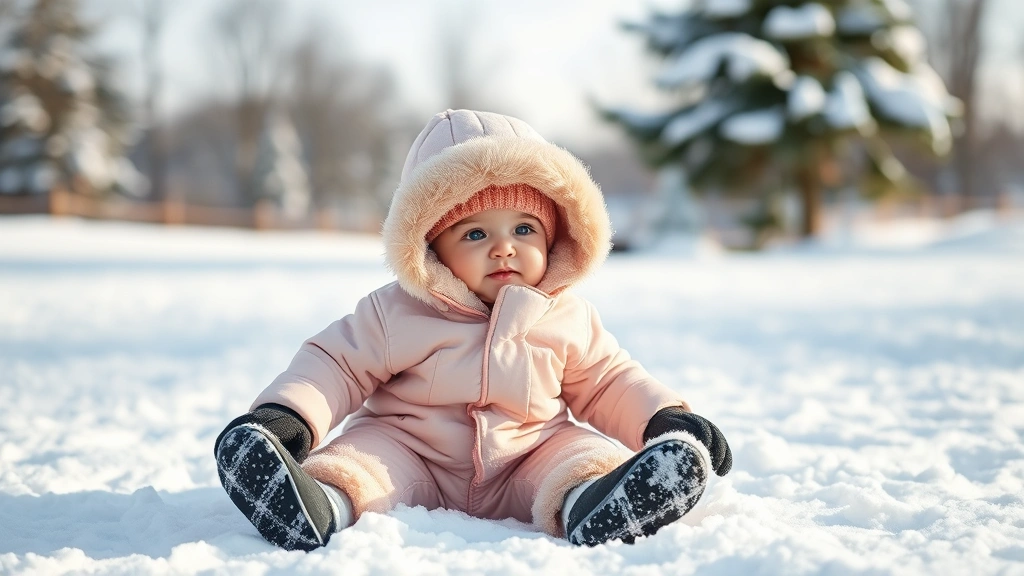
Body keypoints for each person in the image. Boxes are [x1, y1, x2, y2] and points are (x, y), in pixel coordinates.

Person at [214, 109, 732, 551]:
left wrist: (664, 418)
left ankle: (595, 504)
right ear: (432, 246)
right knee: (361, 464)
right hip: (411, 448)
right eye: (476, 232)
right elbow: (335, 364)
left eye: (524, 229)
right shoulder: (395, 311)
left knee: (577, 456)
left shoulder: (565, 314)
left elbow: (609, 380)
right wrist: (288, 416)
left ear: (553, 239)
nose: (504, 247)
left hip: (528, 450)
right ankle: (316, 504)